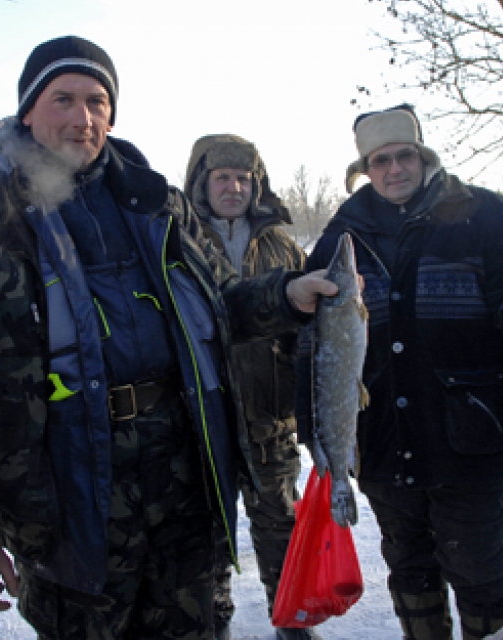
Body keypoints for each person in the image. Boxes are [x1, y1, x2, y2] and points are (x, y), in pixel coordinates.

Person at [0, 35, 335, 639]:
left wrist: (286, 295)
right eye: (63, 100)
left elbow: (218, 304)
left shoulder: (155, 203)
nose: (82, 119)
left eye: (97, 101)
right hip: (68, 495)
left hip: (182, 478)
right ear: (28, 109)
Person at [297, 105, 503, 640]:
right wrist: (316, 425)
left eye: (404, 156)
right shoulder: (344, 235)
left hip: (467, 432)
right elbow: (313, 339)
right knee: (410, 571)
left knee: (480, 573)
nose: (394, 169)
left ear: (423, 157)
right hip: (380, 437)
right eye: (380, 161)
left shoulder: (486, 216)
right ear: (365, 169)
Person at [183, 134, 311, 640]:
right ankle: (214, 626)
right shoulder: (178, 239)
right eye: (223, 178)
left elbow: (311, 330)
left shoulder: (282, 242)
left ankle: (294, 624)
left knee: (283, 530)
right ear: (202, 182)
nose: (234, 187)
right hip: (203, 426)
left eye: (243, 178)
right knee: (208, 539)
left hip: (271, 420)